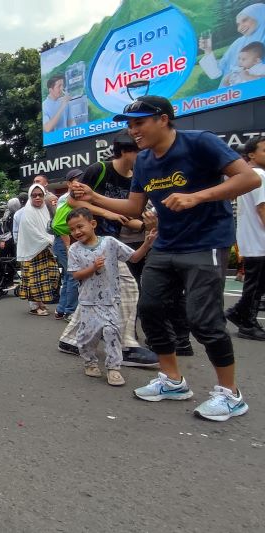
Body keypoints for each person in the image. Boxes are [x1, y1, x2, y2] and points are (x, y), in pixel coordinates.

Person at [72, 95, 261, 421]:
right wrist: (94, 196)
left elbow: (250, 178)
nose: (133, 131)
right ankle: (173, 380)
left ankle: (230, 394)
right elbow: (134, 207)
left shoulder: (200, 142)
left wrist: (197, 197)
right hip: (165, 244)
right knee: (150, 310)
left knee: (203, 320)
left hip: (205, 242)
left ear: (163, 119)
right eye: (130, 125)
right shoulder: (144, 161)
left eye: (139, 123)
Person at [58, 134, 162, 367]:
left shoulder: (136, 178)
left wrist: (143, 225)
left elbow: (130, 213)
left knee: (96, 293)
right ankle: (124, 345)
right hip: (91, 241)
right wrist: (107, 213)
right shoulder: (99, 169)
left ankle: (71, 340)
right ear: (125, 151)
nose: (145, 156)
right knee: (127, 288)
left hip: (114, 240)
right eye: (141, 151)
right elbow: (72, 202)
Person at [67, 209, 156, 386]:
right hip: (88, 302)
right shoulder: (74, 250)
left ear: (93, 224)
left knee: (112, 332)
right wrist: (93, 268)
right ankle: (90, 362)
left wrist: (146, 244)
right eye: (72, 229)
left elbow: (134, 257)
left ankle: (114, 368)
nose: (76, 232)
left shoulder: (109, 242)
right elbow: (76, 275)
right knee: (87, 337)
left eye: (80, 226)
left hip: (110, 300)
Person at [225, 135, 265, 340]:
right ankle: (247, 322)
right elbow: (262, 209)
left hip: (252, 240)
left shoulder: (247, 175)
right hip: (259, 241)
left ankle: (239, 313)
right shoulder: (259, 175)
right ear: (251, 155)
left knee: (256, 284)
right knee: (256, 285)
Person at [17, 183, 59, 316]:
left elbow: (49, 227)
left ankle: (40, 303)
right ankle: (34, 306)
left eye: (40, 195)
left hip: (45, 249)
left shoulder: (45, 210)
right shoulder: (27, 212)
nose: (37, 198)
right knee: (34, 280)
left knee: (51, 275)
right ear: (30, 197)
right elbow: (31, 233)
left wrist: (49, 240)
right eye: (34, 195)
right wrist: (47, 240)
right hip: (32, 251)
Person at [199, 3, 265, 88]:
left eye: (245, 20)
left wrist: (248, 77)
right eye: (238, 24)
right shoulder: (238, 43)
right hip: (231, 94)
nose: (240, 28)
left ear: (260, 15)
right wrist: (207, 50)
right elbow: (215, 73)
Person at [52, 169, 84, 320]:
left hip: (67, 241)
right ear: (69, 183)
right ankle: (70, 311)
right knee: (73, 276)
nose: (80, 183)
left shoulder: (74, 196)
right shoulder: (66, 198)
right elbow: (60, 225)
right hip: (65, 240)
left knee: (68, 276)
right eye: (77, 180)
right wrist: (68, 245)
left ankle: (61, 309)